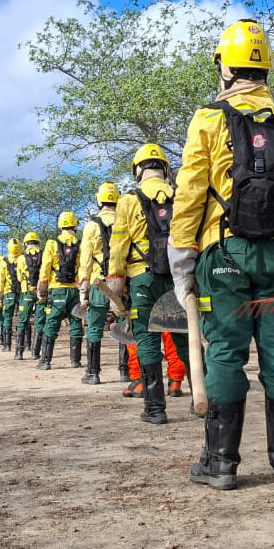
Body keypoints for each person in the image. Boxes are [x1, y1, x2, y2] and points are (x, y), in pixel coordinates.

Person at [168, 19, 274, 489]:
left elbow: (190, 192)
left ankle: (221, 465)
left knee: (226, 354)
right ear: (266, 69)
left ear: (224, 66)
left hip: (223, 254)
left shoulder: (208, 120)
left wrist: (181, 259)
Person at [106, 144, 191, 426]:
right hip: (177, 278)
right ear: (164, 168)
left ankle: (155, 409)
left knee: (147, 338)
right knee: (183, 337)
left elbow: (118, 246)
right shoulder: (180, 197)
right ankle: (206, 398)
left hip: (142, 277)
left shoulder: (129, 201)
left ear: (137, 170)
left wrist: (115, 287)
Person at [77, 182, 119, 384]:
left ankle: (93, 373)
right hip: (122, 283)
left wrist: (83, 292)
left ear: (99, 200)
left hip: (98, 284)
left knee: (94, 327)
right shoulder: (124, 220)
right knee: (125, 325)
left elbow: (85, 261)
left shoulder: (92, 225)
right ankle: (126, 371)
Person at [36, 212, 83, 371]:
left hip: (57, 290)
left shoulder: (52, 243)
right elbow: (83, 267)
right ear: (75, 224)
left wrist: (41, 290)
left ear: (60, 224)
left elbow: (45, 268)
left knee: (52, 323)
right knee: (76, 323)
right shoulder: (79, 243)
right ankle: (75, 361)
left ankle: (45, 361)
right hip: (75, 290)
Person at [14, 231, 45, 360]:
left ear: (26, 244)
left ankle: (19, 353)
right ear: (38, 242)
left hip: (27, 292)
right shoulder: (43, 255)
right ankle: (35, 353)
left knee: (22, 320)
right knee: (40, 320)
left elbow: (20, 278)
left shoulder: (21, 258)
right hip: (41, 293)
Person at [0, 239, 22, 351]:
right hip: (23, 292)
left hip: (8, 293)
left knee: (7, 318)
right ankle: (25, 344)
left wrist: (0, 296)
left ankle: (7, 345)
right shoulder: (24, 259)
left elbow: (0, 280)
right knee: (23, 317)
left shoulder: (3, 262)